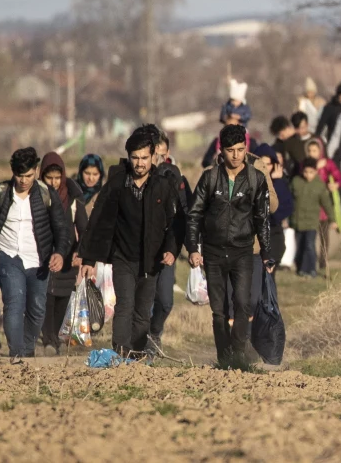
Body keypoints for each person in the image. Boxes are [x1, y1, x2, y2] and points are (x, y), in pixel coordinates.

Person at [77, 127, 179, 357]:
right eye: (135, 158)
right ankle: (120, 352)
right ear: (129, 157)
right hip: (123, 257)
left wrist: (171, 249)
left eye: (144, 158)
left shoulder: (163, 186)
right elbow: (99, 221)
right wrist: (89, 258)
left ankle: (138, 352)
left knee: (143, 311)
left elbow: (174, 223)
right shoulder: (117, 184)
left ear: (153, 157)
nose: (139, 163)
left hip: (151, 260)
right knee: (124, 305)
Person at [0, 147, 70, 360]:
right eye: (19, 175)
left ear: (36, 170)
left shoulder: (46, 194)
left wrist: (59, 253)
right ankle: (17, 354)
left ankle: (27, 347)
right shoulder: (0, 193)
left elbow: (61, 228)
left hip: (39, 259)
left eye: (29, 175)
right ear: (13, 172)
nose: (24, 180)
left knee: (37, 308)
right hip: (8, 256)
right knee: (14, 302)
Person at [186, 124, 275, 367]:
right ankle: (223, 357)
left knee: (243, 304)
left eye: (240, 149)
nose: (236, 155)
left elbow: (262, 218)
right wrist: (193, 248)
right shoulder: (210, 177)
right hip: (213, 252)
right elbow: (194, 214)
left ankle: (238, 355)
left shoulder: (256, 179)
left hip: (243, 251)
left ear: (246, 149)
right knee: (219, 311)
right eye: (230, 150)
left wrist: (266, 252)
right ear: (221, 151)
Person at [39, 152, 89, 355]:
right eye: (48, 178)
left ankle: (55, 338)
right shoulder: (37, 195)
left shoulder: (73, 196)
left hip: (68, 254)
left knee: (62, 298)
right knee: (45, 297)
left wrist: (80, 251)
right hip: (43, 253)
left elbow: (84, 227)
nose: (53, 182)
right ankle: (48, 340)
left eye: (57, 178)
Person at [149, 131, 194, 351]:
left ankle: (155, 332)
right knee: (144, 300)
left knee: (165, 301)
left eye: (162, 154)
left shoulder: (176, 177)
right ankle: (142, 343)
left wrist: (191, 247)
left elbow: (185, 213)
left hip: (168, 248)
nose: (158, 160)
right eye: (154, 155)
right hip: (143, 251)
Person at [291, 158, 335, 278]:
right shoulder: (296, 181)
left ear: (316, 171)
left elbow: (326, 204)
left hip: (311, 222)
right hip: (297, 221)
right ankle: (300, 268)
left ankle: (311, 269)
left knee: (309, 245)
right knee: (299, 246)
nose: (308, 175)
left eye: (311, 172)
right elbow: (289, 200)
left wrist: (332, 219)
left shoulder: (320, 185)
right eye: (306, 172)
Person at [306, 137, 341, 269]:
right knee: (309, 235)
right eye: (309, 150)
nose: (311, 153)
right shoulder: (305, 164)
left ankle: (323, 260)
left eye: (314, 150)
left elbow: (338, 177)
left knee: (323, 235)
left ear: (320, 151)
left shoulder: (328, 163)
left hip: (324, 204)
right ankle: (309, 260)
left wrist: (335, 185)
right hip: (309, 204)